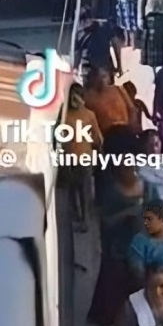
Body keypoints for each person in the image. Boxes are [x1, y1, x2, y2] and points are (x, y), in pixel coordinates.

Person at [88, 165, 157, 326]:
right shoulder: (113, 191)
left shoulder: (147, 188)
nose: (131, 170)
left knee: (138, 290)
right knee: (114, 291)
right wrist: (127, 214)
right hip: (117, 249)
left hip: (141, 249)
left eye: (133, 167)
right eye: (126, 167)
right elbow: (104, 220)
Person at [58, 82, 103, 231]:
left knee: (85, 191)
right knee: (72, 189)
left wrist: (99, 156)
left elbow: (97, 139)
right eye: (72, 95)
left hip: (85, 157)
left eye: (78, 95)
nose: (75, 98)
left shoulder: (89, 115)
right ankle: (75, 216)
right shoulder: (63, 115)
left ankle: (85, 220)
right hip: (68, 158)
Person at [83, 66, 135, 137]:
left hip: (125, 131)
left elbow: (131, 108)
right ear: (93, 79)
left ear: (109, 77)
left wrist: (131, 129)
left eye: (104, 76)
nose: (101, 81)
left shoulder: (118, 89)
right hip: (106, 136)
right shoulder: (89, 97)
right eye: (98, 78)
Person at [74, 7, 123, 78]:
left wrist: (119, 64)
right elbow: (116, 43)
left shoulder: (104, 27)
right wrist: (119, 64)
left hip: (97, 67)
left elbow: (116, 44)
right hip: (95, 67)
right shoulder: (79, 33)